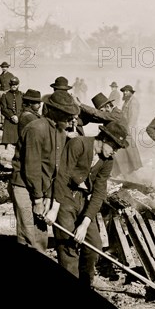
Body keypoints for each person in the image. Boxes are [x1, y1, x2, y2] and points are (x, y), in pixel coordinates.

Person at [45, 121, 129, 286]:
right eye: (115, 146)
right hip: (64, 196)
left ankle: (86, 282)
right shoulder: (78, 144)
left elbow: (99, 193)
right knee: (68, 244)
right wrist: (54, 209)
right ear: (105, 138)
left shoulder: (107, 160)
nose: (115, 152)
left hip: (82, 199)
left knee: (94, 244)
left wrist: (84, 223)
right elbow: (61, 176)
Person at [9, 90, 79, 253]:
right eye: (68, 115)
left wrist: (48, 196)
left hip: (41, 188)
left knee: (41, 234)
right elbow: (32, 168)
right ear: (56, 113)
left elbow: (54, 168)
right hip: (24, 185)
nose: (71, 120)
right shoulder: (36, 129)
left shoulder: (60, 132)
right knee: (28, 234)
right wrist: (38, 200)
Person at [115, 84, 143, 176]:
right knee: (126, 149)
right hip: (125, 127)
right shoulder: (127, 101)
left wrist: (129, 130)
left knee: (130, 149)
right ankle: (128, 169)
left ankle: (133, 169)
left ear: (131, 92)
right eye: (124, 91)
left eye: (127, 91)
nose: (125, 93)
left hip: (130, 128)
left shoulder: (133, 102)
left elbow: (133, 117)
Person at [0, 77, 23, 147]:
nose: (14, 86)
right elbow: (3, 109)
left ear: (18, 85)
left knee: (20, 142)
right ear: (10, 85)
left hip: (20, 120)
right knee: (9, 143)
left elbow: (24, 108)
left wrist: (18, 116)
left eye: (15, 85)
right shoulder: (5, 95)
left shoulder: (22, 95)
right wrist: (12, 116)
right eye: (12, 85)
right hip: (9, 121)